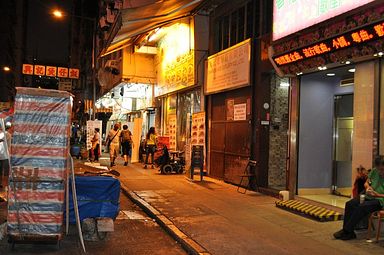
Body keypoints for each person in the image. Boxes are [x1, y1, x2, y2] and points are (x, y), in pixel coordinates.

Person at [334, 156, 384, 240]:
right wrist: (368, 188)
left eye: (382, 169)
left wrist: (377, 194)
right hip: (369, 195)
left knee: (362, 207)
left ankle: (346, 230)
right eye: (378, 169)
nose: (380, 172)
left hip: (380, 200)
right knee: (350, 204)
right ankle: (349, 232)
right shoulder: (374, 171)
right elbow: (366, 182)